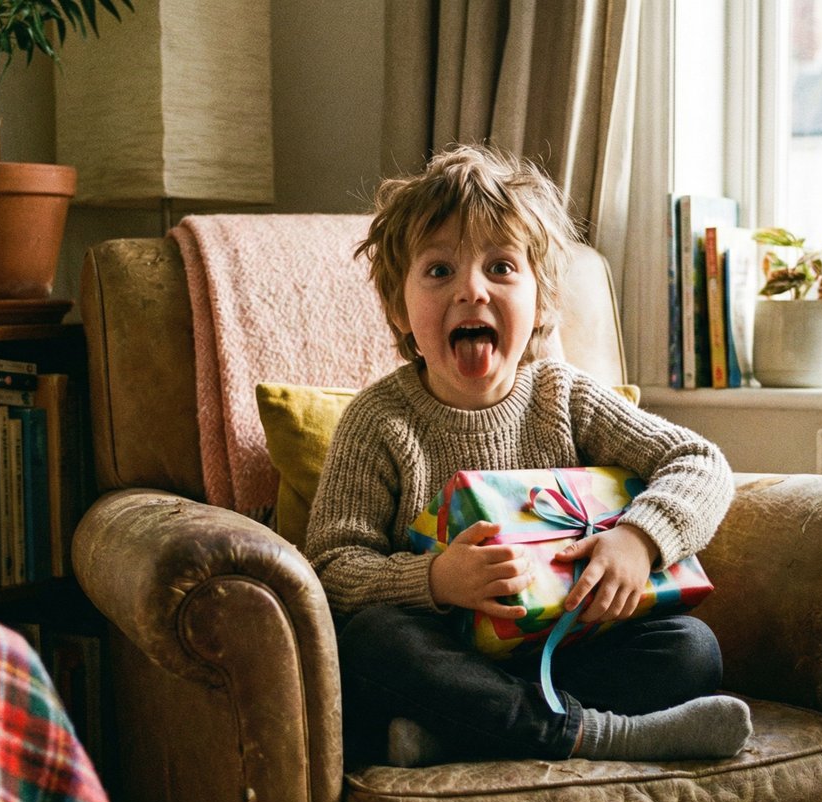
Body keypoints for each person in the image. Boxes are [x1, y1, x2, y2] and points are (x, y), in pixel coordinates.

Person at [306, 143, 750, 767]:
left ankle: (457, 734)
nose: (471, 291)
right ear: (398, 309)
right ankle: (592, 735)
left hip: (565, 643)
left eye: (501, 267)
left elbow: (699, 462)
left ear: (541, 303)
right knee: (373, 644)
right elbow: (329, 568)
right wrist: (435, 580)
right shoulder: (380, 422)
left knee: (692, 648)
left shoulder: (563, 396)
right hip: (445, 650)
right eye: (438, 271)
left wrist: (638, 540)